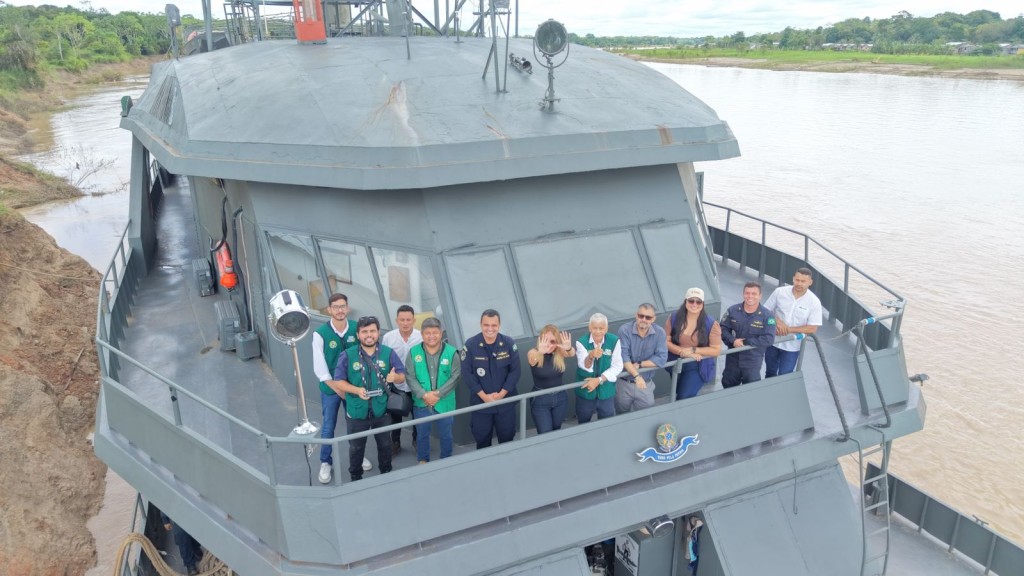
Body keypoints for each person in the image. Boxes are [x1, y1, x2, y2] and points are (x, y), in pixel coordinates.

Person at [330, 316, 406, 482]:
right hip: (357, 412)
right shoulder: (347, 355)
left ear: (378, 333)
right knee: (356, 448)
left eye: (372, 331)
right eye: (364, 332)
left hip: (382, 410)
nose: (369, 335)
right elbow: (338, 381)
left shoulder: (388, 353)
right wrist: (356, 390)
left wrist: (396, 378)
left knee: (385, 445)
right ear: (358, 335)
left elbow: (402, 375)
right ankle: (356, 478)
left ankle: (386, 473)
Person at [311, 293, 370, 482]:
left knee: (355, 423)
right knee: (329, 425)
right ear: (329, 309)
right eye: (335, 307)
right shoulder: (320, 334)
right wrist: (339, 389)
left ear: (348, 308)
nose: (340, 310)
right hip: (331, 389)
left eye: (343, 306)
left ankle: (357, 457)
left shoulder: (355, 328)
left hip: (352, 387)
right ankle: (325, 462)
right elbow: (320, 368)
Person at [462, 309, 521, 448]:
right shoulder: (470, 345)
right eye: (486, 325)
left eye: (494, 325)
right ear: (480, 324)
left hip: (505, 403)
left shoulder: (508, 343)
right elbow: (467, 374)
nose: (490, 329)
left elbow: (515, 371)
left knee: (507, 440)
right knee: (482, 440)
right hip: (481, 405)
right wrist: (484, 397)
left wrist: (501, 394)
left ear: (499, 325)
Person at [406, 317, 460, 462]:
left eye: (435, 333)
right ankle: (423, 460)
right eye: (427, 333)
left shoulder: (452, 352)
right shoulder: (413, 352)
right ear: (422, 334)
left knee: (446, 434)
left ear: (441, 333)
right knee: (422, 434)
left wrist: (438, 394)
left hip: (445, 403)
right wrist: (424, 395)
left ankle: (446, 459)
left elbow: (455, 376)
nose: (431, 336)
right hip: (421, 403)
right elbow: (410, 376)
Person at [763, 268, 823, 377]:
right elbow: (765, 311)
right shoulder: (780, 292)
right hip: (772, 340)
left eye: (803, 281)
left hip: (792, 347)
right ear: (793, 279)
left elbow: (812, 328)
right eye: (797, 280)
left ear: (810, 282)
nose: (799, 283)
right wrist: (777, 322)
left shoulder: (814, 302)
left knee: (785, 375)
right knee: (770, 372)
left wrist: (788, 330)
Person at [665, 288, 722, 400]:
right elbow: (666, 341)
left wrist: (694, 350)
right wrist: (683, 352)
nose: (694, 304)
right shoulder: (674, 318)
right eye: (691, 301)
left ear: (703, 304)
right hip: (677, 363)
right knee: (678, 391)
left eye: (698, 302)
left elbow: (716, 350)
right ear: (685, 301)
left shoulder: (711, 324)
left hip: (698, 366)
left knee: (683, 397)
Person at [381, 304, 422, 454]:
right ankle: (395, 442)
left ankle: (416, 440)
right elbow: (384, 359)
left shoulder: (421, 336)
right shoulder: (388, 338)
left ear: (414, 320)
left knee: (417, 415)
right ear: (396, 321)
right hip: (396, 384)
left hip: (417, 383)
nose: (405, 323)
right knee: (394, 415)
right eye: (402, 320)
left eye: (408, 320)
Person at [720, 281, 776, 387]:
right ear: (743, 294)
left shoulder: (767, 316)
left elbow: (769, 339)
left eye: (754, 293)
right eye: (747, 293)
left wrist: (745, 342)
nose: (750, 296)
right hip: (733, 358)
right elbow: (722, 329)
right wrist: (732, 340)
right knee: (728, 385)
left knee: (751, 388)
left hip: (753, 360)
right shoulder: (732, 311)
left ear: (760, 296)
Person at [616, 303, 668, 413]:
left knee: (646, 412)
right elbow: (624, 357)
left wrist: (640, 364)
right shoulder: (624, 330)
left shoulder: (659, 332)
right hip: (624, 383)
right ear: (636, 315)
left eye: (648, 317)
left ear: (653, 319)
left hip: (645, 383)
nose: (643, 319)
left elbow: (662, 358)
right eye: (641, 316)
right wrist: (637, 376)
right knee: (621, 414)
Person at [574, 313, 623, 423]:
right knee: (583, 422)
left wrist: (599, 380)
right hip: (586, 391)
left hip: (606, 391)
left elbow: (617, 366)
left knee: (606, 422)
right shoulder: (581, 342)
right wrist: (591, 356)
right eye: (594, 328)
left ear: (606, 328)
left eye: (601, 328)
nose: (598, 331)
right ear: (589, 328)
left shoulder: (614, 340)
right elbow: (585, 366)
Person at [526, 324, 574, 434]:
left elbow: (571, 353)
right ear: (540, 340)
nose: (548, 344)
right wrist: (540, 352)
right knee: (545, 432)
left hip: (560, 397)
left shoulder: (559, 352)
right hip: (540, 398)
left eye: (552, 341)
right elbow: (532, 360)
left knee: (556, 429)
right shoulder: (533, 352)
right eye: (545, 340)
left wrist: (568, 348)